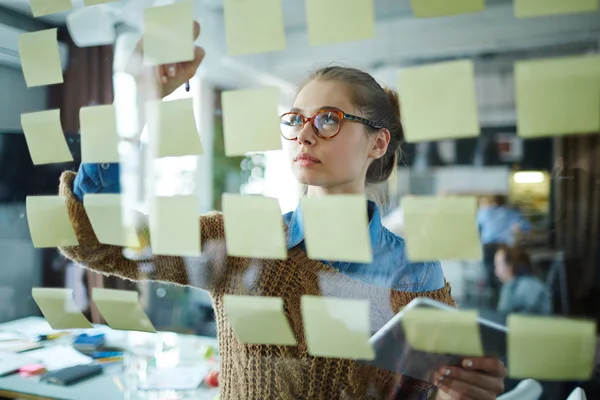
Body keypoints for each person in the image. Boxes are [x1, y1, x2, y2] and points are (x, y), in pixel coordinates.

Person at [57, 21, 506, 400]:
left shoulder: (415, 272)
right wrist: (136, 107)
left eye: (329, 119)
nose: (305, 135)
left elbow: (423, 392)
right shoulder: (240, 238)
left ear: (377, 142)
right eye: (295, 119)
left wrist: (461, 392)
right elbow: (95, 240)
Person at [477, 195, 531, 300]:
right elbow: (525, 226)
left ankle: (492, 292)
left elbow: (477, 228)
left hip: (489, 245)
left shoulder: (485, 212)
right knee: (505, 269)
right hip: (504, 246)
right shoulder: (510, 213)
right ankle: (502, 292)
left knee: (490, 269)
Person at [494, 245, 551, 316]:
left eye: (498, 265)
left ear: (510, 266)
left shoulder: (511, 288)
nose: (496, 271)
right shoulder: (539, 285)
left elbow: (501, 320)